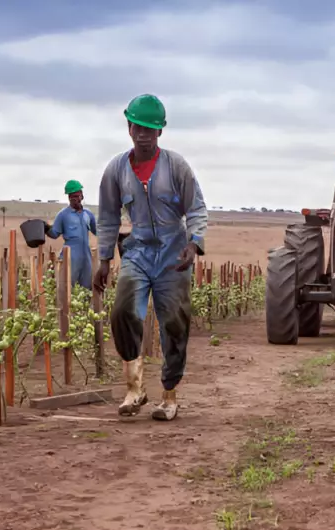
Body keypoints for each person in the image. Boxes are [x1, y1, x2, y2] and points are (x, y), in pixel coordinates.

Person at [94, 94, 208, 421]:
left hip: (175, 251)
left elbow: (197, 208)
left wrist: (194, 243)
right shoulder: (116, 169)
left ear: (160, 132)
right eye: (137, 127)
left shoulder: (176, 166)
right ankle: (135, 388)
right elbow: (107, 217)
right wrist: (104, 258)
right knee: (123, 311)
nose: (143, 135)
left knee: (174, 321)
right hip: (138, 248)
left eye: (150, 129)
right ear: (128, 127)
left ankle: (169, 396)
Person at [44, 180, 97, 289]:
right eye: (73, 197)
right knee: (68, 286)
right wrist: (45, 228)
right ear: (69, 198)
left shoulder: (88, 214)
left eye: (78, 196)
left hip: (86, 256)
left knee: (87, 288)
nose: (76, 199)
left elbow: (96, 231)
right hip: (70, 256)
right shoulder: (63, 215)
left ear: (82, 195)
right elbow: (54, 234)